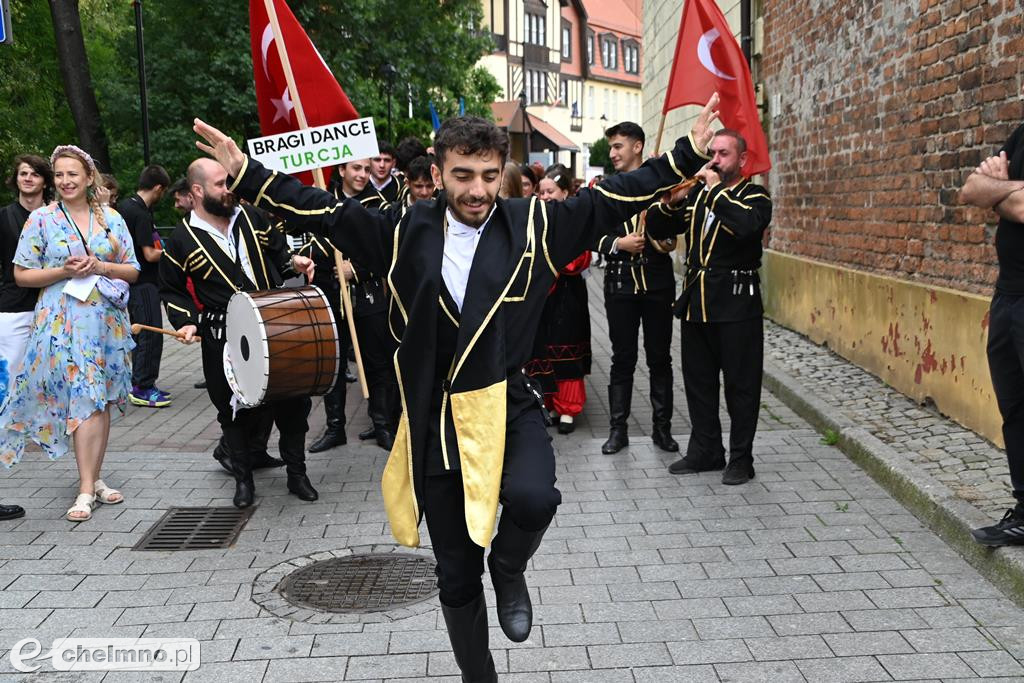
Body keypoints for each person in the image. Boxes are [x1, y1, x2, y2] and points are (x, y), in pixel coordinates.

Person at [192, 96, 717, 680]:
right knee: (456, 570)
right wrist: (247, 175)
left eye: (490, 176)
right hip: (435, 411)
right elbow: (323, 212)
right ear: (438, 174)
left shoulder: (535, 225)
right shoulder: (403, 231)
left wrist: (685, 156)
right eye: (463, 176)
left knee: (537, 498)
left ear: (502, 173)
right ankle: (478, 674)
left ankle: (511, 569)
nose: (477, 190)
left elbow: (612, 198)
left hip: (505, 397)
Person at [159, 158, 317, 508]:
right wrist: (185, 320)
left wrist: (295, 263)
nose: (229, 189)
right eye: (220, 184)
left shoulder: (252, 217)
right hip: (223, 331)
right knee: (233, 410)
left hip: (273, 319)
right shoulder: (182, 238)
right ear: (197, 191)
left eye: (229, 182)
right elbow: (171, 288)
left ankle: (297, 475)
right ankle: (243, 481)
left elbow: (280, 255)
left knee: (292, 401)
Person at [0, 144, 141, 522]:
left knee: (103, 397)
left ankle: (94, 479)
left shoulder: (111, 218)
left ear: (88, 177)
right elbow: (21, 274)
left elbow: (133, 270)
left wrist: (100, 265)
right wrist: (64, 271)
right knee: (83, 395)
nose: (64, 181)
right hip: (62, 322)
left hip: (105, 322)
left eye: (71, 174)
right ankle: (84, 489)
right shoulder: (41, 220)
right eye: (59, 174)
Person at [645, 127, 772, 485]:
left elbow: (746, 227)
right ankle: (706, 450)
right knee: (698, 382)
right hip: (696, 304)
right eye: (712, 153)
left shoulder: (755, 196)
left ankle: (741, 458)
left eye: (723, 154)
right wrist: (670, 201)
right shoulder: (700, 197)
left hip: (736, 305)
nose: (714, 159)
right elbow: (658, 226)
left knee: (740, 386)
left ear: (742, 159)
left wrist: (714, 189)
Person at [960, 91, 1024, 546]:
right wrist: (1008, 193)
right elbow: (969, 191)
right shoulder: (1021, 134)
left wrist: (998, 191)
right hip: (1007, 298)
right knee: (1015, 410)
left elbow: (1013, 205)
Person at [593, 122, 678, 455]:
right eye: (612, 147)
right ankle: (618, 430)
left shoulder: (660, 184)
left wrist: (660, 225)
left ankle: (662, 430)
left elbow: (673, 236)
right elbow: (591, 235)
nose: (612, 153)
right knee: (622, 358)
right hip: (619, 282)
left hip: (656, 281)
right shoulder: (604, 188)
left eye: (618, 146)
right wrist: (618, 243)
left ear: (638, 146)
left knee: (660, 358)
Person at [331, 160, 400, 450]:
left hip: (370, 294)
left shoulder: (380, 205)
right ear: (341, 171)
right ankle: (335, 428)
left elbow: (389, 251)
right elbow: (313, 242)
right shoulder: (325, 200)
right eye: (355, 168)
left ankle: (381, 424)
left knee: (377, 362)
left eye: (365, 169)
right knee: (334, 366)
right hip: (332, 296)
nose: (362, 175)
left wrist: (355, 270)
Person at [0, 154, 53, 522]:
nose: (28, 178)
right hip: (13, 309)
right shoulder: (4, 217)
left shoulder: (57, 217)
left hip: (52, 308)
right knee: (8, 385)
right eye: (22, 174)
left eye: (34, 173)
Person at [524, 167, 591, 434]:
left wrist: (549, 258)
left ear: (564, 192)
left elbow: (578, 260)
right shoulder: (536, 219)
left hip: (567, 296)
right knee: (545, 349)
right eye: (542, 192)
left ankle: (569, 408)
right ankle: (550, 402)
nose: (545, 196)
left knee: (567, 348)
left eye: (550, 191)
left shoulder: (576, 220)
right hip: (543, 297)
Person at [118, 165, 173, 408]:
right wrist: (173, 251)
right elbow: (150, 254)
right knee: (151, 334)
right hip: (144, 283)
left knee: (141, 335)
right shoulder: (140, 213)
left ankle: (138, 382)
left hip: (131, 283)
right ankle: (143, 387)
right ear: (159, 188)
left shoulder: (125, 206)